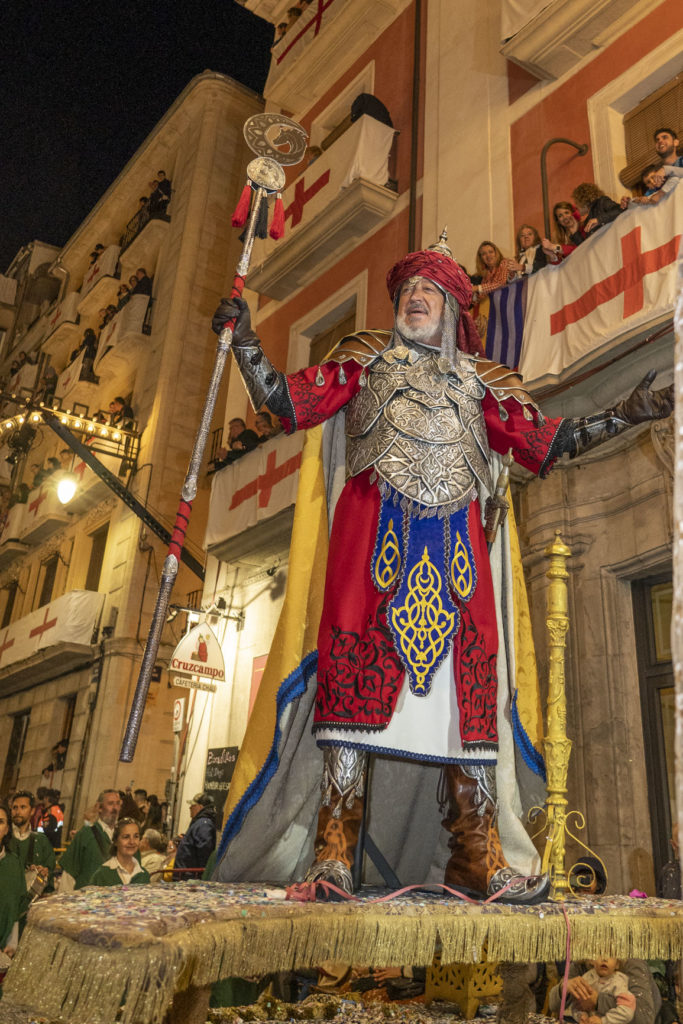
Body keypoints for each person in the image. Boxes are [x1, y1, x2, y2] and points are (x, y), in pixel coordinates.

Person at [212, 232, 673, 901]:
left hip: (457, 568)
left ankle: (474, 858)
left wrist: (623, 415)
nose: (414, 298)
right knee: (351, 699)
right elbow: (287, 404)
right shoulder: (363, 360)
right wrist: (246, 344)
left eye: (429, 290)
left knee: (467, 706)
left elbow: (547, 443)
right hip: (371, 558)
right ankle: (333, 854)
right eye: (407, 290)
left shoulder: (483, 385)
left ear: (456, 310)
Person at [58, 788, 122, 890]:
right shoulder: (85, 834)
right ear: (99, 807)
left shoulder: (124, 835)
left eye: (118, 804)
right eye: (110, 804)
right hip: (86, 900)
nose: (115, 808)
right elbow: (69, 875)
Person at [549, 958, 635, 1024]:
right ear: (592, 960)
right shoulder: (587, 977)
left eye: (611, 955)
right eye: (600, 953)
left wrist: (603, 1021)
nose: (604, 959)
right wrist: (581, 1016)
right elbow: (576, 1004)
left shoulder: (619, 982)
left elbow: (626, 1011)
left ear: (617, 964)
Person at [10, 790, 56, 902]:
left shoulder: (41, 841)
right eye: (15, 807)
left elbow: (49, 871)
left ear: (32, 811)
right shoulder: (4, 838)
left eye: (23, 807)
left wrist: (44, 873)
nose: (18, 811)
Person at [89, 818, 150, 886]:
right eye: (126, 837)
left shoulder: (144, 875)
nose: (132, 842)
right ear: (115, 841)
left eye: (136, 836)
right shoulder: (102, 875)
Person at [0, 800, 26, 959]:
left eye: (0, 822)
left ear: (7, 829)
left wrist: (13, 942)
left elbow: (15, 908)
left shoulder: (14, 863)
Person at [173, 793, 217, 879]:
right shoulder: (200, 823)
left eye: (193, 805)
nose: (190, 808)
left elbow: (204, 852)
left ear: (200, 807)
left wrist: (200, 876)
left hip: (189, 877)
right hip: (187, 875)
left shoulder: (203, 824)